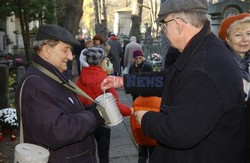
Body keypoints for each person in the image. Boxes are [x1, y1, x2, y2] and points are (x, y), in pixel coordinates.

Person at [100, 0, 246, 162]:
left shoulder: (205, 67)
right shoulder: (201, 47)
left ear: (178, 23)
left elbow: (180, 131)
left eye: (164, 24)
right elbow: (168, 79)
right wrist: (125, 81)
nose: (164, 31)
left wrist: (146, 118)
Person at [15, 24, 104, 163]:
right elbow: (57, 131)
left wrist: (94, 109)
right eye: (65, 50)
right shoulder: (36, 84)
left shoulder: (53, 77)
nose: (70, 56)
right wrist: (93, 117)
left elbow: (66, 111)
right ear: (46, 50)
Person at [76, 47, 133, 163]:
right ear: (100, 61)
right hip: (103, 121)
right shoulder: (105, 80)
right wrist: (130, 111)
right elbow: (114, 104)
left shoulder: (79, 79)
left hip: (86, 120)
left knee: (88, 153)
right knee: (103, 155)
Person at [218, 13, 250, 162]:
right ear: (227, 39)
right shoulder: (219, 65)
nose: (245, 39)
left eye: (249, 33)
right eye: (238, 35)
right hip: (225, 141)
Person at [128, 49, 153, 163]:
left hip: (147, 99)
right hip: (136, 98)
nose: (138, 60)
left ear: (142, 58)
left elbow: (151, 80)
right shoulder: (132, 67)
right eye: (136, 58)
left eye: (140, 58)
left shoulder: (147, 66)